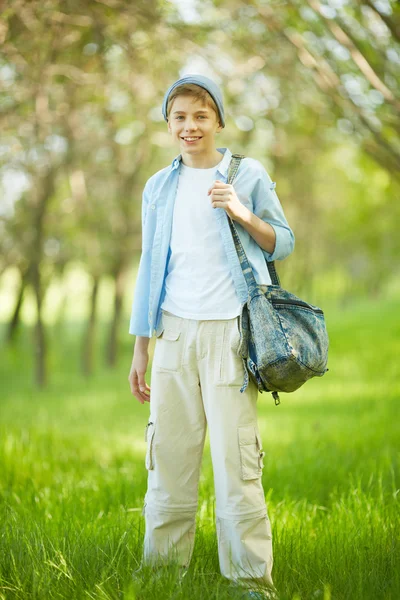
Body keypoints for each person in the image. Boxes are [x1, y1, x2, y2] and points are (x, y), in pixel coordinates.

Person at [128, 74, 295, 599]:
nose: (189, 126)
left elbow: (283, 242)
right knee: (170, 460)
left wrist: (242, 213)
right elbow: (148, 268)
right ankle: (160, 576)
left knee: (235, 461)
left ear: (218, 120)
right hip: (174, 336)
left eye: (200, 116)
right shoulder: (158, 187)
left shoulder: (247, 174)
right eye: (179, 117)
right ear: (169, 125)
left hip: (230, 333)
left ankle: (250, 581)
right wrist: (142, 347)